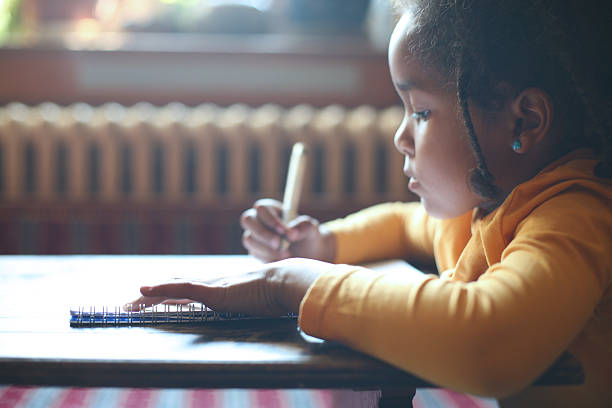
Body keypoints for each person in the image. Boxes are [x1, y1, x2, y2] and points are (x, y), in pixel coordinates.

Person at [130, 0, 612, 406]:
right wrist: (322, 242)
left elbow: (489, 340)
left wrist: (293, 281)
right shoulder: (491, 208)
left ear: (524, 122)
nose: (401, 137)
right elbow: (405, 225)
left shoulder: (574, 215)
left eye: (421, 111)